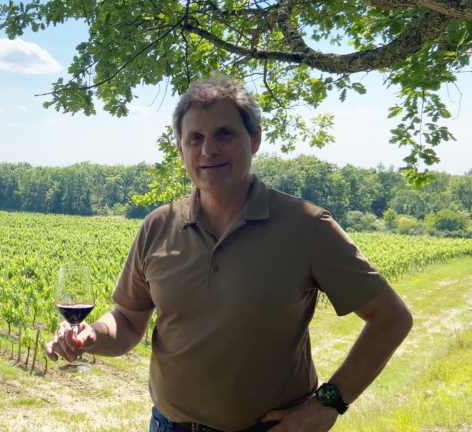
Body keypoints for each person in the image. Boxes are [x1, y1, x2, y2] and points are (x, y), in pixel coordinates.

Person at [44, 75, 413, 432]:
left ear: (254, 139)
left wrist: (328, 402)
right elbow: (127, 323)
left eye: (224, 134)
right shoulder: (158, 225)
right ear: (181, 148)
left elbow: (391, 318)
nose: (208, 150)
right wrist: (90, 334)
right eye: (195, 138)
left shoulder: (306, 226)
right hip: (168, 426)